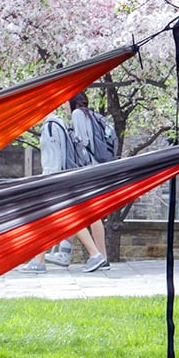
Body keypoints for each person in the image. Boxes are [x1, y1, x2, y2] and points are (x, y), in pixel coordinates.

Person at [19, 107, 108, 272]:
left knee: (71, 219)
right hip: (62, 179)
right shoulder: (58, 123)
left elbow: (53, 159)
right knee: (48, 219)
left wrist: (47, 182)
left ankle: (95, 254)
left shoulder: (51, 127)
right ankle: (38, 261)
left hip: (55, 182)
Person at [69, 92, 111, 272]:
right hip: (96, 167)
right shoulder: (92, 114)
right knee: (92, 213)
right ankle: (102, 257)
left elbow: (82, 141)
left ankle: (100, 257)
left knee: (89, 213)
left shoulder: (77, 114)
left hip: (87, 168)